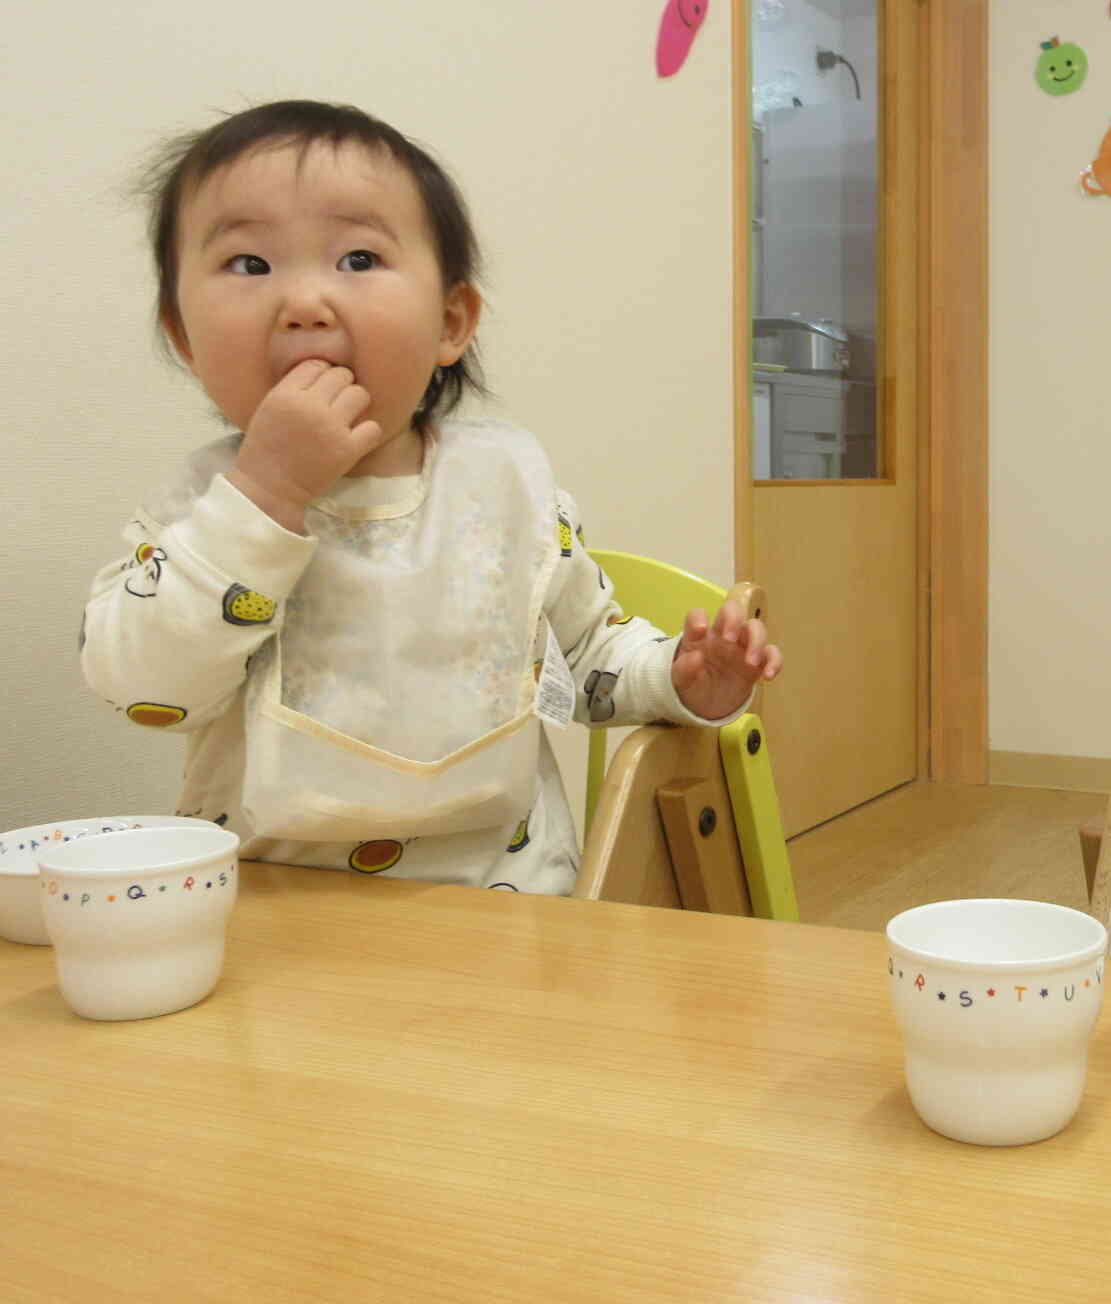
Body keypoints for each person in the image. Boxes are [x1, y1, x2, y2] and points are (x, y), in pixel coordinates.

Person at [82, 100, 779, 893]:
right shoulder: (206, 506)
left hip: (507, 904)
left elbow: (584, 663)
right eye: (250, 264)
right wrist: (268, 494)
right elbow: (141, 689)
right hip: (271, 913)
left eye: (356, 260)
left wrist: (685, 683)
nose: (304, 302)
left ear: (451, 322)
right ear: (183, 336)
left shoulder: (504, 489)